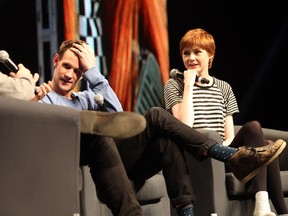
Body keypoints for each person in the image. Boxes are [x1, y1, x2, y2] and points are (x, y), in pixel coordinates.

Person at [37, 39, 285, 216]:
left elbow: (119, 118)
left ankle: (187, 212)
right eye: (67, 67)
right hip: (98, 159)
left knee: (166, 143)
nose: (71, 74)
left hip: (120, 156)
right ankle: (229, 156)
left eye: (78, 71)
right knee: (157, 114)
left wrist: (93, 72)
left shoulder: (87, 98)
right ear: (56, 61)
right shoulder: (45, 98)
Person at [164, 28, 288, 216]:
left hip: (224, 154)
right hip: (199, 154)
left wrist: (230, 152)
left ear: (210, 55)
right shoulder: (174, 84)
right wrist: (188, 85)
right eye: (186, 53)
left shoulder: (224, 87)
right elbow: (185, 124)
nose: (191, 58)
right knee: (265, 148)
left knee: (258, 134)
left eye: (197, 52)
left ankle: (271, 209)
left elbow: (228, 135)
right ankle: (268, 209)